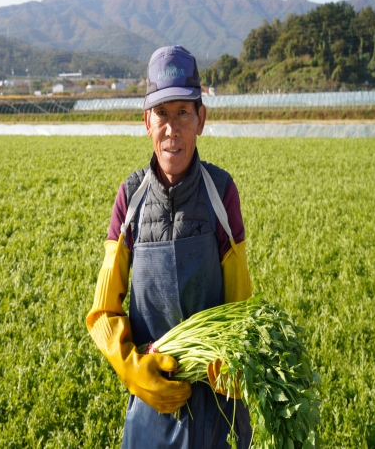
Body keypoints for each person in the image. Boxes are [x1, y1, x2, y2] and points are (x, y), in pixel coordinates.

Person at [86, 45, 252, 448]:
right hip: (151, 404)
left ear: (201, 118)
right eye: (161, 113)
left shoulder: (221, 193)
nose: (172, 129)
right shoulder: (130, 199)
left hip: (215, 404)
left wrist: (229, 364)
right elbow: (104, 310)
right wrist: (131, 369)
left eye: (183, 112)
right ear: (146, 121)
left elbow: (241, 306)